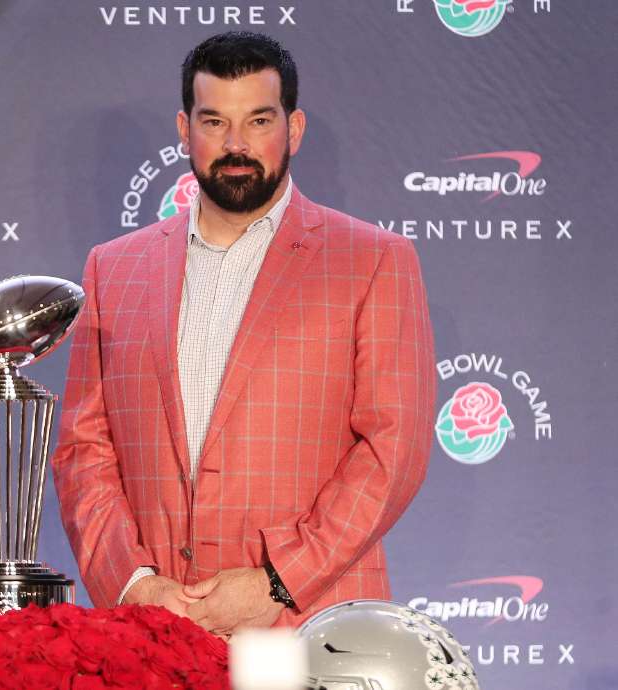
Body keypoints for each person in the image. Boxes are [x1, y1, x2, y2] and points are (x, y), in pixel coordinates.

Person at [51, 32, 434, 636]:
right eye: (213, 121)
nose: (235, 145)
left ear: (295, 128)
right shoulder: (113, 268)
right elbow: (83, 450)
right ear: (184, 129)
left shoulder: (373, 260)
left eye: (258, 120)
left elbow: (393, 453)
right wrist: (133, 584)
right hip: (152, 635)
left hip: (313, 630)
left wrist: (277, 581)